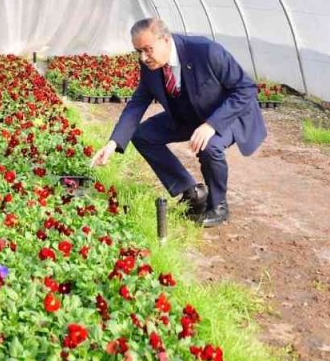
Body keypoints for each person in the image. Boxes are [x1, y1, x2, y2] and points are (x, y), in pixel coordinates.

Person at [89, 18, 267, 227]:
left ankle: (218, 206)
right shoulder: (150, 64)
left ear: (165, 39)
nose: (143, 57)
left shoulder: (205, 51)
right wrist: (112, 143)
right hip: (189, 113)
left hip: (227, 113)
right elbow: (138, 103)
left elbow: (246, 88)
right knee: (143, 135)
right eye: (138, 51)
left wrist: (211, 125)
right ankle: (191, 192)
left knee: (209, 146)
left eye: (147, 50)